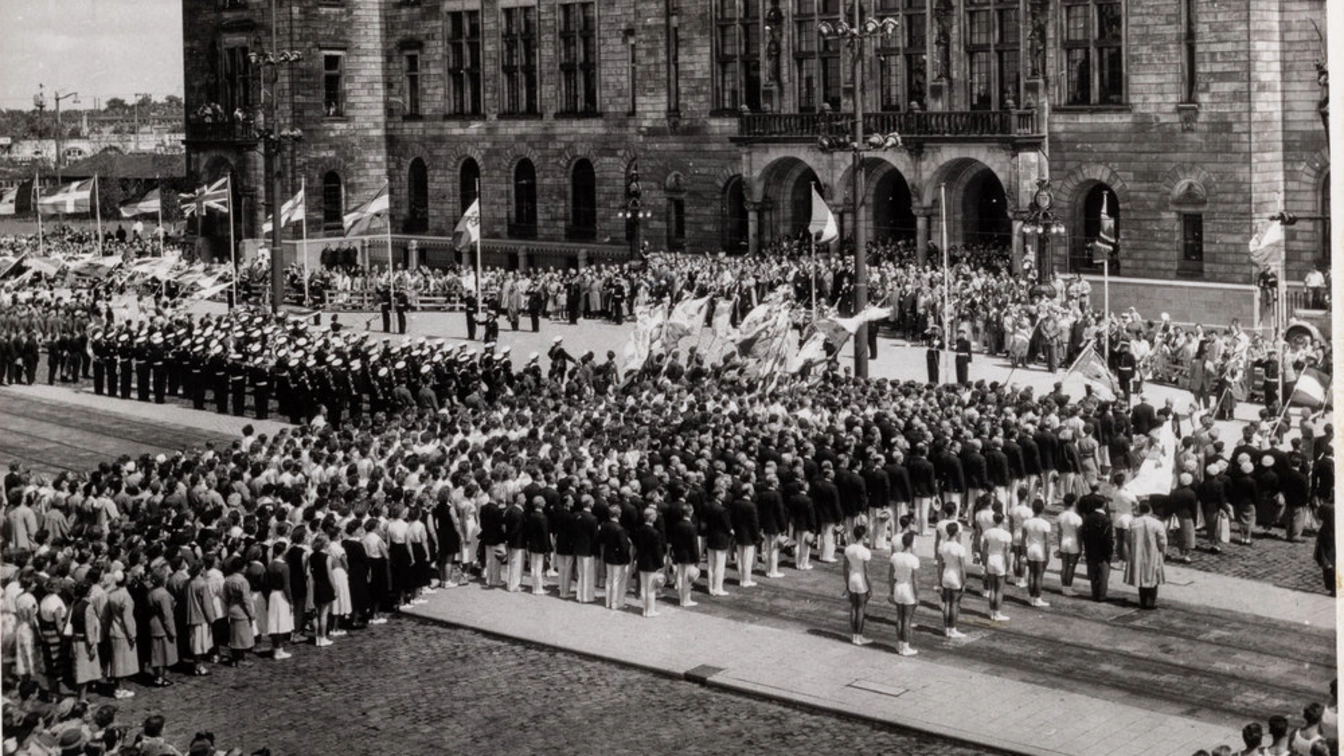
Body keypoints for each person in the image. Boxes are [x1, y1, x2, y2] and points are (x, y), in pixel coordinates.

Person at [1125, 501, 1167, 610]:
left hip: (1138, 553)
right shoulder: (1157, 523)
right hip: (1153, 553)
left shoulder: (1133, 523)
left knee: (1141, 576)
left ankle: (1143, 601)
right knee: (1153, 577)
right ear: (1150, 509)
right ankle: (1151, 602)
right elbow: (1162, 541)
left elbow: (1128, 539)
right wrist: (1163, 552)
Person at [887, 531, 920, 655]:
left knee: (899, 618)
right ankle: (906, 647)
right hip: (908, 589)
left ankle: (900, 645)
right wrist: (917, 596)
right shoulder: (914, 559)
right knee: (907, 619)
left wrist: (891, 591)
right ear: (911, 544)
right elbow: (915, 580)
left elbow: (890, 576)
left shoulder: (894, 557)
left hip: (897, 587)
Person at [1079, 491, 1115, 602]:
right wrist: (1110, 551)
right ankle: (1101, 595)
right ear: (1104, 505)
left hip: (1091, 549)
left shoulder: (1087, 518)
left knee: (1093, 574)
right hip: (1103, 551)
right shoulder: (1106, 520)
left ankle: (1095, 593)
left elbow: (1084, 534)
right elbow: (1108, 539)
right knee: (1103, 575)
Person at [632, 508, 667, 617]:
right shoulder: (655, 533)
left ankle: (645, 609)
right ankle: (650, 610)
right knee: (651, 588)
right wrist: (661, 564)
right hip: (652, 562)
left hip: (642, 560)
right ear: (652, 518)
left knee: (644, 587)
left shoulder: (639, 530)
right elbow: (658, 551)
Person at [842, 524, 873, 646]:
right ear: (863, 536)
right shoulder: (865, 551)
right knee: (861, 608)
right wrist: (870, 588)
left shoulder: (848, 549)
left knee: (853, 608)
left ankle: (854, 636)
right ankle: (859, 637)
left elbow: (845, 568)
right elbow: (867, 572)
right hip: (861, 580)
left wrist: (847, 584)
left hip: (851, 578)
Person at [980, 511, 1013, 622]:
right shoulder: (1006, 534)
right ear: (1003, 521)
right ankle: (997, 613)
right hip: (1000, 560)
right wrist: (1008, 567)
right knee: (999, 589)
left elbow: (984, 550)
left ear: (994, 520)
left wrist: (984, 563)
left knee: (992, 588)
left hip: (991, 559)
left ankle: (992, 613)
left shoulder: (988, 533)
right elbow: (1007, 553)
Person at [598, 505, 631, 611]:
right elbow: (623, 546)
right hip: (618, 558)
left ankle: (608, 601)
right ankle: (616, 602)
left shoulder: (604, 525)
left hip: (608, 555)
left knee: (609, 579)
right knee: (618, 580)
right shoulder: (620, 529)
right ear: (618, 515)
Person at [938, 522, 968, 639]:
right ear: (956, 532)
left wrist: (940, 580)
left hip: (946, 574)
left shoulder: (942, 546)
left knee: (947, 603)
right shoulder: (960, 548)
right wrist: (964, 582)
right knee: (955, 604)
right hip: (956, 576)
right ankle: (953, 629)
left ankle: (946, 629)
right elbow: (962, 567)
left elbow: (940, 566)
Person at [670, 503, 701, 607]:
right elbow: (694, 544)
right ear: (690, 512)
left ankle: (681, 598)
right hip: (688, 555)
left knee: (679, 576)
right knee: (687, 578)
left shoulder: (676, 525)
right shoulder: (692, 527)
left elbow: (673, 541)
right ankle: (686, 599)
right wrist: (697, 558)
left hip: (679, 553)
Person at [1022, 498, 1052, 607]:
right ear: (1042, 509)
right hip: (1040, 550)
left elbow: (1023, 539)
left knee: (1031, 573)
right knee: (1039, 575)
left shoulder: (1026, 522)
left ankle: (1031, 597)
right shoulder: (1045, 524)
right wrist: (1047, 556)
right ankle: (1037, 598)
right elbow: (1047, 542)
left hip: (1030, 548)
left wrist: (1023, 552)